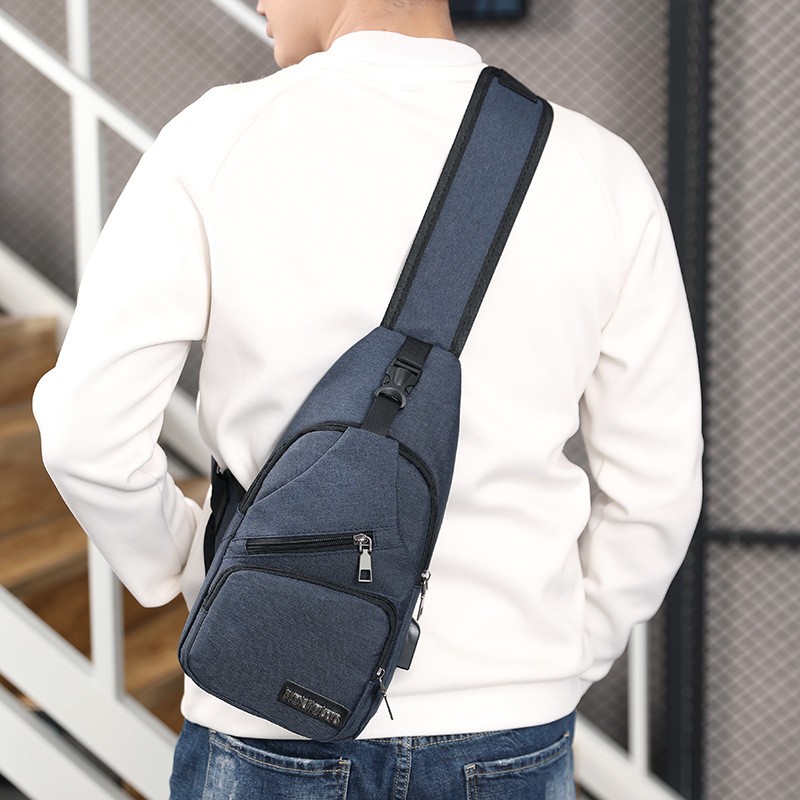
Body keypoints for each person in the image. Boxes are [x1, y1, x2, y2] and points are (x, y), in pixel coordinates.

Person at [32, 0, 703, 797]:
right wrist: (560, 652)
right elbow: (659, 486)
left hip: (267, 705)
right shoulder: (600, 170)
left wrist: (209, 578)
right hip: (512, 723)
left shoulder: (218, 139)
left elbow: (85, 434)